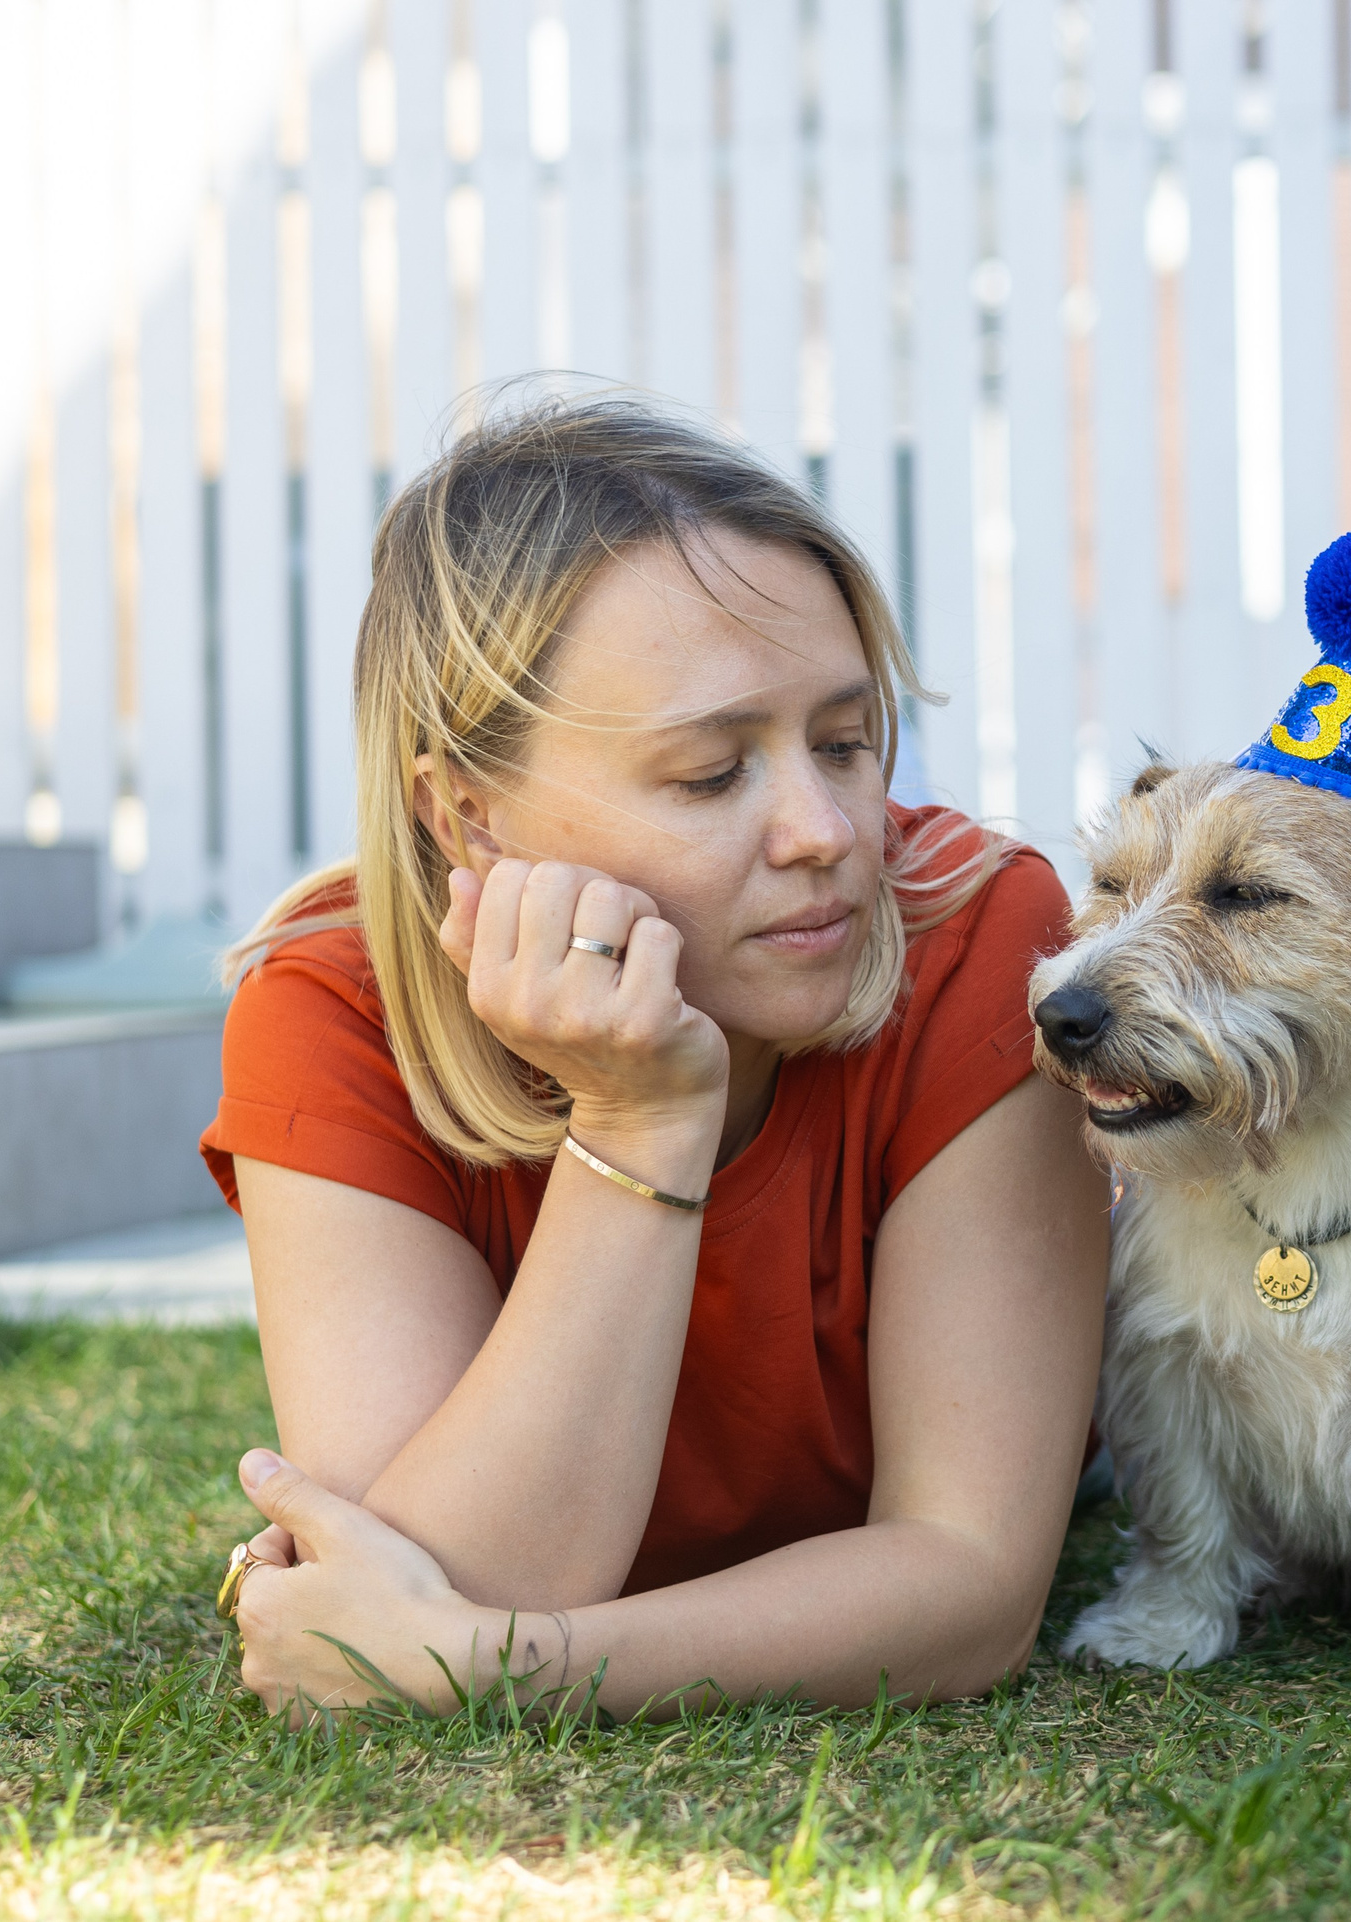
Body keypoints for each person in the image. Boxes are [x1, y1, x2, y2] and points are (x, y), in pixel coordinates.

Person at [199, 395, 1108, 1723]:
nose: (824, 829)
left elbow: (970, 1581)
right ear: (465, 812)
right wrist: (637, 1122)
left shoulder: (980, 936)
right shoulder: (331, 1010)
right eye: (708, 772)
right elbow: (460, 1571)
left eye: (845, 742)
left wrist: (504, 1668)